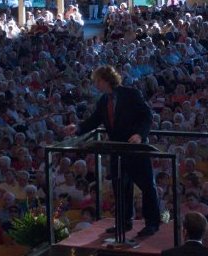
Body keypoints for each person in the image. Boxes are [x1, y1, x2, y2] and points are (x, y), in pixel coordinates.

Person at [64, 65, 160, 237]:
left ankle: (152, 223)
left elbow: (147, 116)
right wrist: (77, 128)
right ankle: (124, 222)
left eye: (97, 81)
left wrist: (139, 134)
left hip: (135, 148)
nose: (95, 84)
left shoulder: (131, 94)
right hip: (117, 150)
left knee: (147, 186)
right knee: (121, 187)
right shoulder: (103, 101)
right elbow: (94, 120)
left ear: (106, 79)